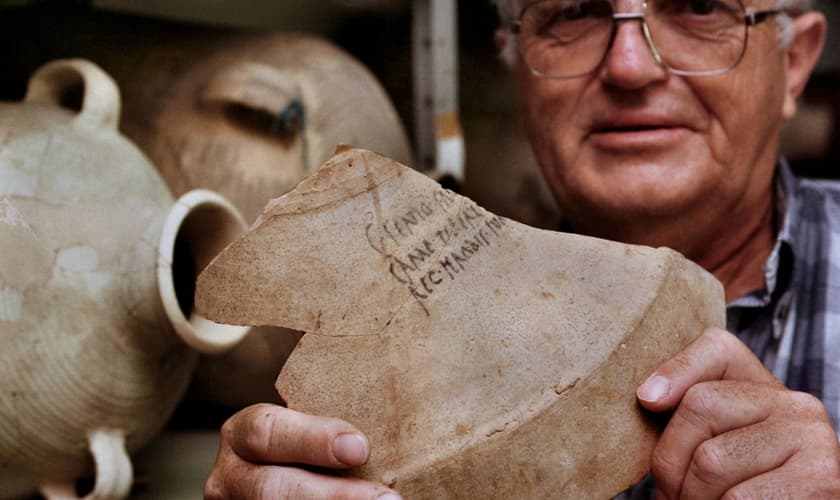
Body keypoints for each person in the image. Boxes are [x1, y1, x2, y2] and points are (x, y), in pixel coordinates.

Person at [204, 0, 840, 498]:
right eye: (574, 12)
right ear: (515, 64)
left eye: (701, 7)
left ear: (794, 64)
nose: (629, 65)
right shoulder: (402, 327)